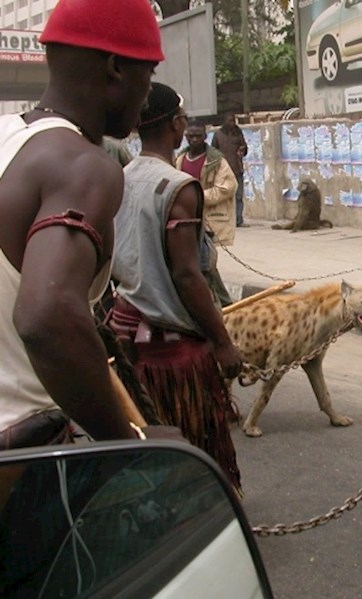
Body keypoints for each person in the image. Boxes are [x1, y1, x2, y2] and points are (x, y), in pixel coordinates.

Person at [0, 0, 166, 448]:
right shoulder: (83, 166)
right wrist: (127, 443)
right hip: (22, 454)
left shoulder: (7, 137)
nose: (148, 93)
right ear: (115, 68)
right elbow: (46, 317)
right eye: (147, 74)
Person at [109, 83, 245, 493]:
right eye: (184, 119)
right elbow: (188, 274)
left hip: (129, 338)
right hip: (174, 353)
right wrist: (222, 342)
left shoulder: (121, 177)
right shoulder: (177, 187)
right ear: (176, 125)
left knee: (151, 445)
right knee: (195, 445)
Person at [176, 119, 237, 307]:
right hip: (186, 220)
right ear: (186, 136)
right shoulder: (180, 159)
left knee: (206, 264)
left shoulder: (216, 161)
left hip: (208, 220)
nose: (194, 140)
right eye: (190, 136)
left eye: (198, 136)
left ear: (205, 136)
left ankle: (225, 305)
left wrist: (197, 197)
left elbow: (228, 187)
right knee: (196, 265)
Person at [211, 111, 249, 227]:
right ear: (224, 122)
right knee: (224, 197)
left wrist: (242, 150)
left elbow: (245, 148)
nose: (232, 123)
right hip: (223, 171)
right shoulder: (218, 135)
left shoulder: (238, 133)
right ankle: (226, 219)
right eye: (230, 120)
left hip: (237, 169)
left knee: (238, 196)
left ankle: (238, 220)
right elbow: (213, 151)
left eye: (234, 120)